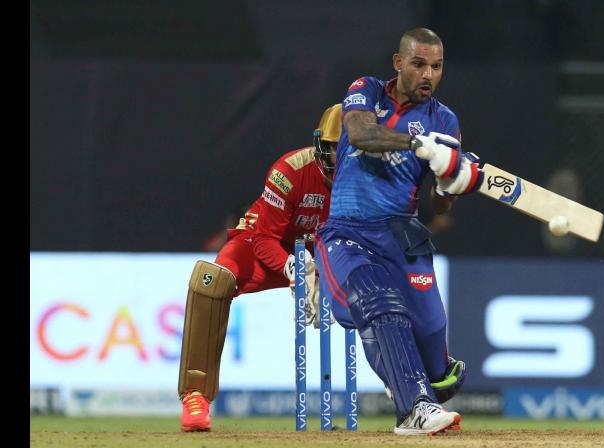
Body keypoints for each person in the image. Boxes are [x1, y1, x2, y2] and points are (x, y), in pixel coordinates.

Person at [316, 28, 479, 436]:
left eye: (437, 67)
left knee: (435, 355)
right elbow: (361, 135)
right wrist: (422, 147)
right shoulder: (366, 89)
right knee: (380, 304)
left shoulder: (445, 120)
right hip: (348, 233)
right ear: (398, 62)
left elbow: (440, 204)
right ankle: (414, 411)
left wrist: (449, 183)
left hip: (401, 236)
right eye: (419, 64)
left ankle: (424, 392)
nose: (429, 75)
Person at [177, 104, 342, 432]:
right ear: (319, 145)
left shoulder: (368, 175)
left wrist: (330, 270)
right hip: (265, 246)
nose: (337, 161)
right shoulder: (291, 169)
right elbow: (266, 238)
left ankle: (408, 394)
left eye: (345, 150)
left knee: (380, 280)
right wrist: (294, 267)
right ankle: (196, 396)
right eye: (331, 149)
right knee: (212, 282)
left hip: (324, 249)